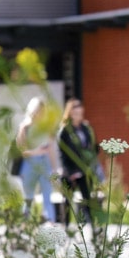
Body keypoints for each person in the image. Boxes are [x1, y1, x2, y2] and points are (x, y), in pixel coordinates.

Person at [57, 98, 103, 235]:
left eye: (80, 113)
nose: (78, 116)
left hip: (84, 169)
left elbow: (93, 147)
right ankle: (65, 226)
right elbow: (62, 153)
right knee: (67, 200)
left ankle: (93, 227)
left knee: (87, 198)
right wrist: (69, 171)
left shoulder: (86, 128)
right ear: (70, 113)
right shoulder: (65, 131)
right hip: (70, 170)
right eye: (75, 113)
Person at [15, 97, 58, 223]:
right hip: (29, 164)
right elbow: (21, 150)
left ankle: (52, 225)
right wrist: (38, 151)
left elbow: (51, 149)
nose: (40, 113)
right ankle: (24, 224)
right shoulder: (24, 127)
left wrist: (55, 169)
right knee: (28, 197)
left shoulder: (46, 128)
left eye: (42, 111)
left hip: (45, 163)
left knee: (47, 196)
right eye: (39, 110)